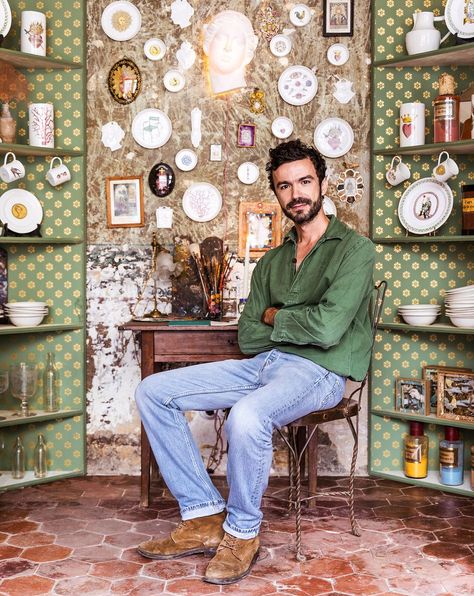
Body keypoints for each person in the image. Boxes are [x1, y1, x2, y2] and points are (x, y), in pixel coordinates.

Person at [135, 139, 375, 585]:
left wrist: (275, 316)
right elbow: (248, 336)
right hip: (264, 364)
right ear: (277, 194)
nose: (296, 193)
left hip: (320, 373)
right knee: (153, 390)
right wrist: (291, 321)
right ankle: (204, 513)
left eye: (305, 181)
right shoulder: (272, 262)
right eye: (285, 186)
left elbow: (328, 331)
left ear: (321, 184)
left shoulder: (355, 250)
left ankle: (243, 532)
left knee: (248, 416)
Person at [202, 10, 258, 95]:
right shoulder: (198, 91)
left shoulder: (250, 98)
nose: (227, 48)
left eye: (238, 43)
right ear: (207, 45)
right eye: (221, 39)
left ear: (247, 56)